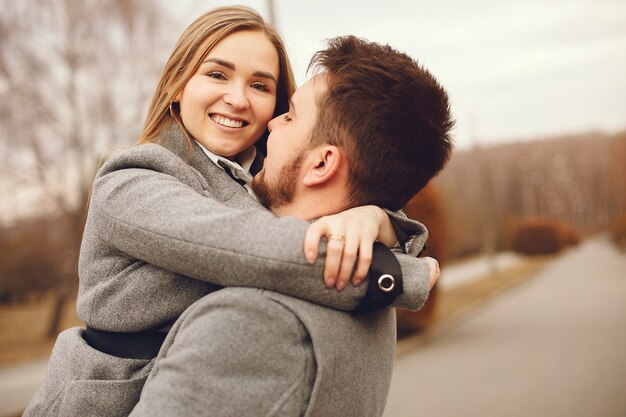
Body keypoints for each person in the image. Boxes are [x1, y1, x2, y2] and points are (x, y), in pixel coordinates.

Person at [24, 7, 439, 417]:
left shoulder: (262, 185)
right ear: (177, 84)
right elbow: (255, 250)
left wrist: (378, 220)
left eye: (260, 86)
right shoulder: (133, 180)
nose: (237, 99)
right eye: (217, 74)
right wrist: (395, 272)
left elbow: (345, 191)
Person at [129, 35, 454, 417]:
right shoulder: (372, 298)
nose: (272, 123)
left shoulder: (251, 320)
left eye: (291, 114)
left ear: (321, 164)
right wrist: (381, 221)